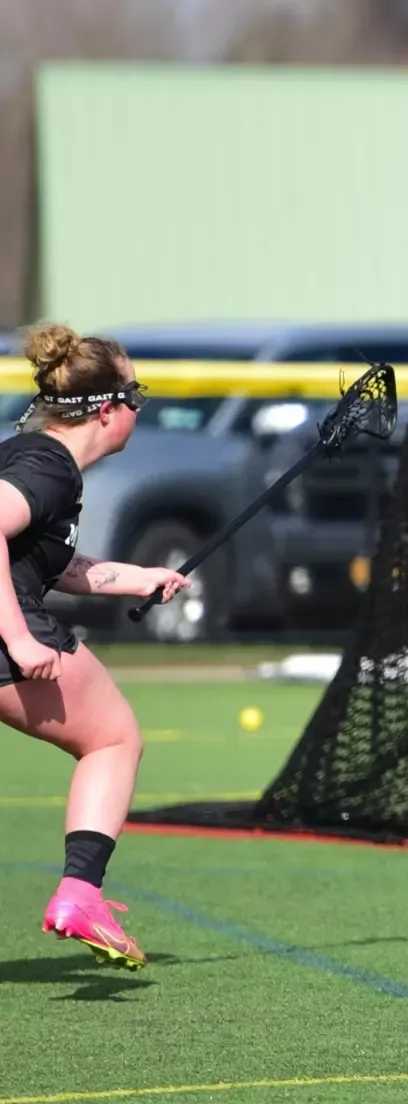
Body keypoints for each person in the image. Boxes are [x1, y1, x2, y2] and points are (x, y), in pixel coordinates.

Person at [3, 323, 189, 970]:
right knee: (113, 738)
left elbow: (44, 558)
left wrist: (138, 578)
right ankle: (81, 892)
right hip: (7, 634)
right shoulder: (47, 466)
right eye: (134, 393)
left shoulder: (36, 460)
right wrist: (19, 638)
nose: (138, 406)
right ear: (107, 411)